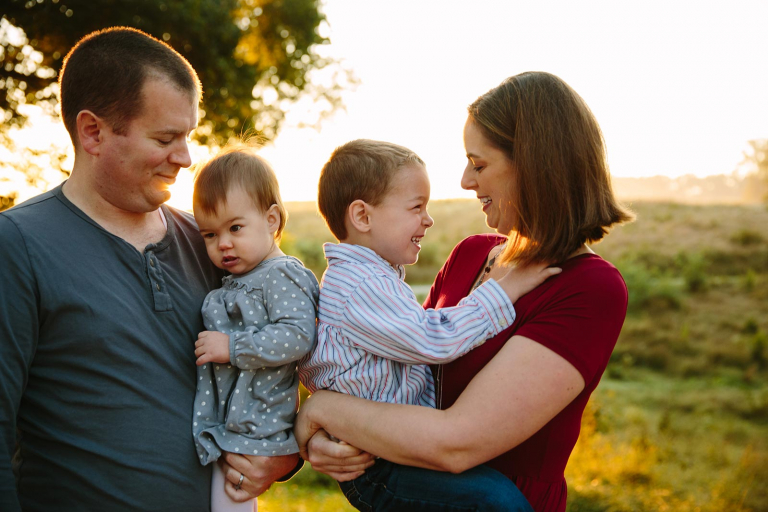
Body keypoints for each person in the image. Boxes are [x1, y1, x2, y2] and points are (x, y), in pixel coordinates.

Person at [294, 72, 634, 512]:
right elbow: (392, 369)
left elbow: (455, 444)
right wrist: (325, 435)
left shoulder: (590, 288)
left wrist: (322, 410)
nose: (465, 181)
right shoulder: (471, 255)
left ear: (534, 164)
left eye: (479, 164)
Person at [0, 28, 297, 512]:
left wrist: (287, 455)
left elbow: (278, 358)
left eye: (188, 136)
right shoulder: (18, 245)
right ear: (93, 132)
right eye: (165, 138)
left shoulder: (213, 245)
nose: (185, 157)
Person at [299, 139, 559, 511]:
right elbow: (433, 338)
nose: (428, 219)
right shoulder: (359, 286)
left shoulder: (374, 277)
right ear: (363, 217)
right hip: (378, 462)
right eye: (416, 207)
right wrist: (506, 289)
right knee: (497, 502)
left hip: (391, 447)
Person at [191, 144, 319, 511]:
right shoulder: (241, 276)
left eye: (234, 227)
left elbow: (297, 335)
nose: (223, 244)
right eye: (210, 235)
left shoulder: (281, 274)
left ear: (272, 220)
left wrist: (231, 347)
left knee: (231, 499)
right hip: (232, 424)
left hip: (257, 424)